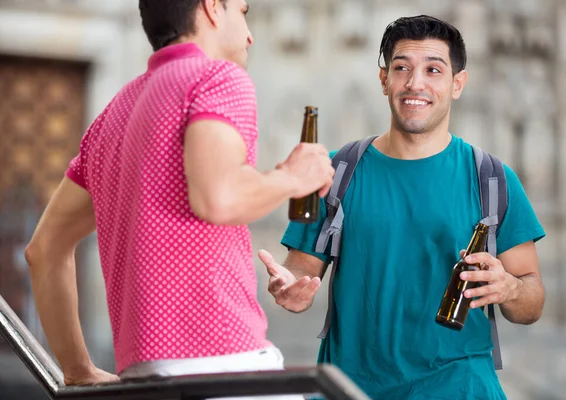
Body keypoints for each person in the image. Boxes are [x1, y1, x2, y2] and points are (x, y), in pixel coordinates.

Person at [24, 0, 334, 390]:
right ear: (211, 9)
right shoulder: (217, 78)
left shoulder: (113, 114)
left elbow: (44, 250)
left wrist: (77, 369)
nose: (250, 34)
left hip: (144, 377)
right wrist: (292, 177)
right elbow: (217, 198)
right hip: (224, 365)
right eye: (242, 12)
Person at [258, 15, 546, 400]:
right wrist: (290, 286)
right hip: (351, 389)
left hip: (460, 389)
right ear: (383, 79)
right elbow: (301, 269)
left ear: (457, 83)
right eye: (401, 69)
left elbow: (532, 301)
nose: (415, 83)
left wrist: (509, 288)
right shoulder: (338, 171)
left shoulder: (492, 178)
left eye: (433, 70)